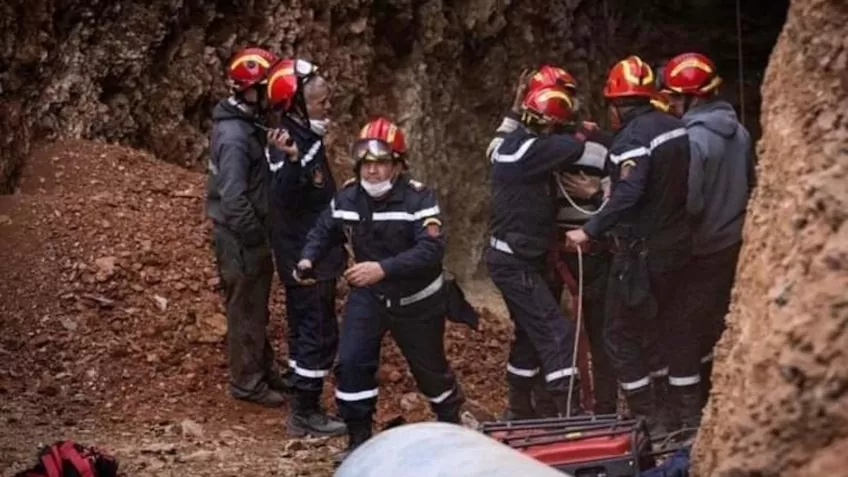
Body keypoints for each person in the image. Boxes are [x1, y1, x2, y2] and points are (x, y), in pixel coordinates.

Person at [298, 117, 466, 464]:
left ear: (398, 165)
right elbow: (323, 229)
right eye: (367, 164)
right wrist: (307, 260)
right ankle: (359, 438)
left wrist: (382, 268)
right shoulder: (348, 196)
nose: (372, 171)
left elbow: (430, 250)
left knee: (431, 371)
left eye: (381, 164)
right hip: (370, 297)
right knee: (352, 363)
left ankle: (453, 427)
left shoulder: (419, 198)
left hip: (417, 300)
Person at [566, 55, 693, 435]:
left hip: (642, 254)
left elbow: (630, 191)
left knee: (619, 335)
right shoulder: (674, 127)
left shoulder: (633, 138)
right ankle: (678, 418)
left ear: (617, 105)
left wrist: (590, 229)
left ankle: (648, 419)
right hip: (677, 248)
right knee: (660, 331)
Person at [487, 65, 618, 417]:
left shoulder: (509, 145)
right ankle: (569, 413)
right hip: (527, 257)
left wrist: (516, 109)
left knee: (531, 334)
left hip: (534, 255)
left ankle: (521, 411)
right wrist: (584, 135)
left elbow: (497, 144)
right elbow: (579, 150)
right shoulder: (544, 150)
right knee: (556, 333)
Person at [661, 52, 755, 415]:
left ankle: (687, 415)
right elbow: (750, 184)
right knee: (713, 325)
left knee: (681, 329)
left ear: (693, 97)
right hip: (731, 245)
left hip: (700, 248)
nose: (668, 103)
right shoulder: (741, 132)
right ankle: (713, 398)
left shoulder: (692, 140)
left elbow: (691, 203)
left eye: (673, 96)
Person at [264, 59, 347, 436]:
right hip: (304, 257)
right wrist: (296, 162)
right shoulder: (285, 143)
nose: (327, 108)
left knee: (318, 329)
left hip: (318, 252)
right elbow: (281, 197)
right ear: (297, 105)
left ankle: (307, 400)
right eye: (320, 103)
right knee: (312, 331)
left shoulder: (306, 136)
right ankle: (305, 412)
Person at [205, 47, 289, 407]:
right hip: (240, 239)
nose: (270, 94)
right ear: (246, 89)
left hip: (245, 234)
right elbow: (233, 197)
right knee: (245, 309)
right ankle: (247, 383)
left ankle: (261, 369)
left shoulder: (246, 126)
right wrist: (255, 237)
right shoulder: (236, 137)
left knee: (255, 307)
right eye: (264, 87)